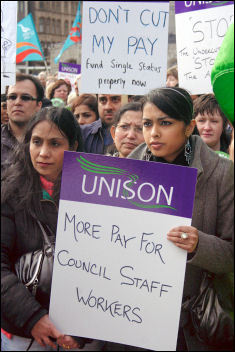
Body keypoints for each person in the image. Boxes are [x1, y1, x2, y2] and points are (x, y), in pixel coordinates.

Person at [127, 87, 234, 351]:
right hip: (135, 313)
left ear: (189, 127)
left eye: (165, 123)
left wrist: (199, 244)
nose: (154, 133)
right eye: (147, 124)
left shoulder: (222, 174)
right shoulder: (129, 166)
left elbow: (231, 253)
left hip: (190, 324)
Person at [1, 107, 104, 351]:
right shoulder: (9, 192)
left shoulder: (98, 194)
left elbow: (106, 268)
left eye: (55, 143)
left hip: (79, 338)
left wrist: (81, 331)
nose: (43, 153)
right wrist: (32, 318)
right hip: (24, 335)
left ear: (74, 146)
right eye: (36, 142)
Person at [1, 73, 43, 171]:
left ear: (38, 105)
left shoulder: (52, 140)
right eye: (12, 97)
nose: (17, 102)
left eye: (25, 98)